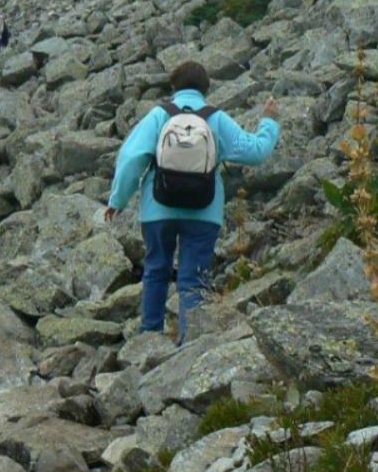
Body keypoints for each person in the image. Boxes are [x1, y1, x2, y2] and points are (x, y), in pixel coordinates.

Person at [105, 61, 280, 344]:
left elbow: (131, 159)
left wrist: (118, 200)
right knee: (193, 279)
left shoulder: (160, 115)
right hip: (204, 210)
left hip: (157, 209)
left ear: (174, 87)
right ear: (206, 89)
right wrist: (269, 122)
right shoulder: (216, 118)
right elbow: (255, 152)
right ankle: (191, 342)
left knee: (156, 270)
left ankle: (149, 337)